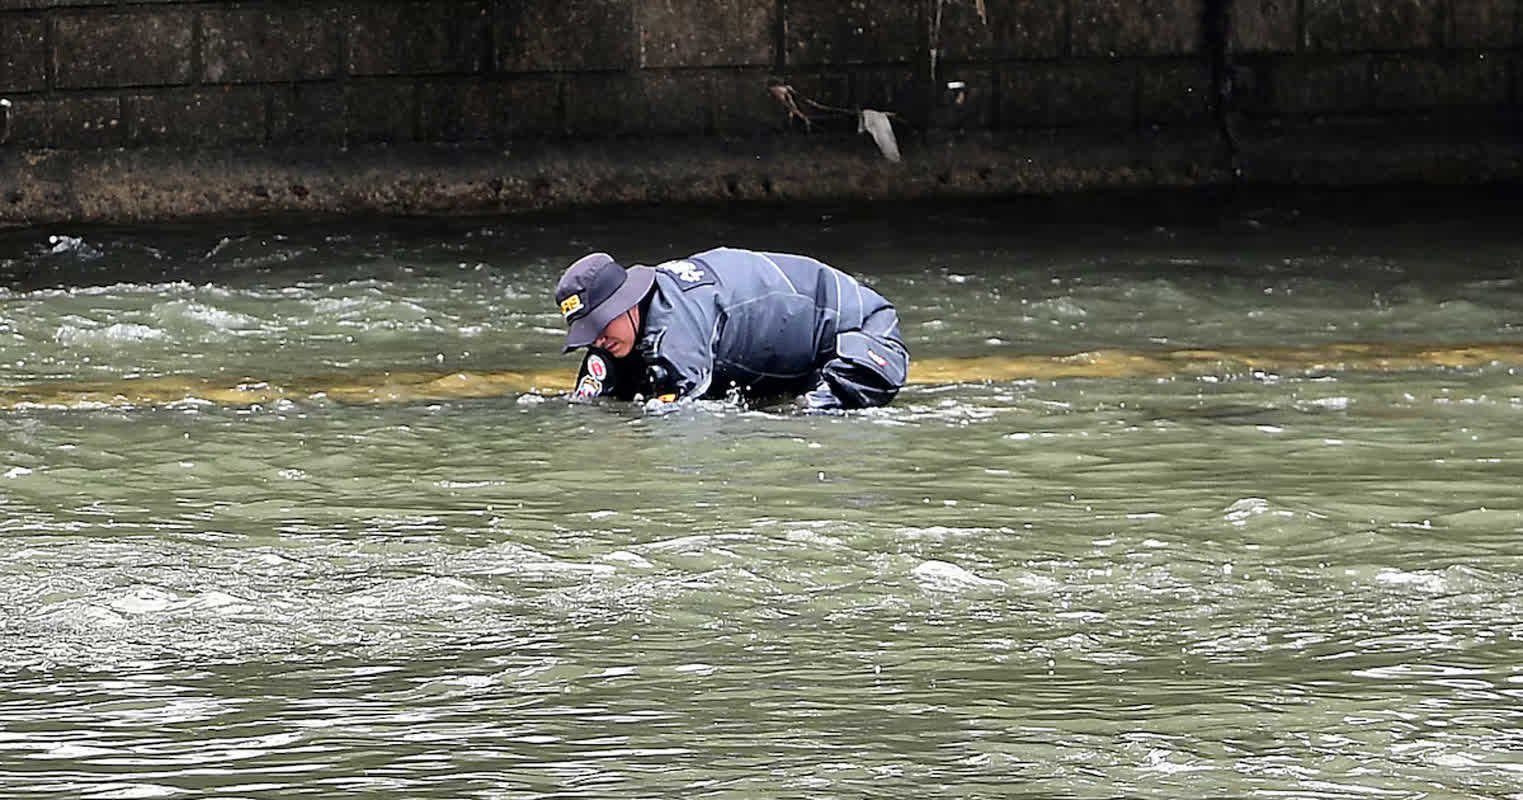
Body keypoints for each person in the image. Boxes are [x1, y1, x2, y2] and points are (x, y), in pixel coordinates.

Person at [553, 247, 909, 410]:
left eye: (600, 326)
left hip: (862, 335)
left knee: (805, 415)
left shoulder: (676, 329)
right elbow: (590, 404)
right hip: (783, 355)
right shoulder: (617, 335)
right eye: (588, 333)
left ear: (629, 303)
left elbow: (680, 428)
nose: (597, 340)